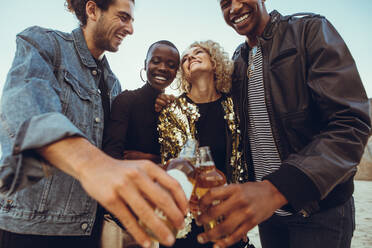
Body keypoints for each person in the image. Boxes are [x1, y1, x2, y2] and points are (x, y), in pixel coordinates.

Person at [0, 1, 187, 248]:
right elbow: (27, 108)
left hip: (87, 230)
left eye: (131, 20)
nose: (130, 29)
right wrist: (92, 163)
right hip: (31, 228)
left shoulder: (113, 85)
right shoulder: (44, 43)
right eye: (123, 17)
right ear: (92, 10)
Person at [195, 1, 371, 248]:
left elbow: (351, 123)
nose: (233, 8)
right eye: (224, 3)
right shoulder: (239, 59)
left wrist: (278, 189)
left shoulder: (309, 30)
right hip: (271, 217)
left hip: (320, 213)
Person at [157, 40, 251, 248]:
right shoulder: (172, 112)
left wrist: (241, 216)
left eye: (198, 52)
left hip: (226, 219)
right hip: (186, 222)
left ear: (215, 62)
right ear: (184, 72)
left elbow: (244, 163)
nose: (190, 57)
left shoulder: (235, 107)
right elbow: (173, 169)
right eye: (185, 58)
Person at [103, 40, 180, 163]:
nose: (162, 68)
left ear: (176, 72)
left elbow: (181, 158)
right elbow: (112, 153)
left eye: (171, 65)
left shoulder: (174, 110)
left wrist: (149, 158)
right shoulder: (126, 100)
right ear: (145, 64)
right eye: (156, 61)